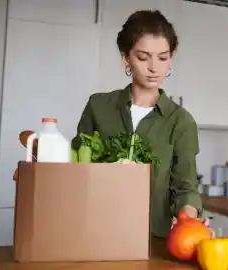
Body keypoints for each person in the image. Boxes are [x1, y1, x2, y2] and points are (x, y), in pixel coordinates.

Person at [70, 10, 207, 239]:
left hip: (152, 242)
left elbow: (185, 189)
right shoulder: (98, 106)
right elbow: (73, 168)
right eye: (143, 57)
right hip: (95, 234)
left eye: (162, 58)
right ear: (126, 58)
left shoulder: (180, 121)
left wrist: (189, 221)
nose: (154, 68)